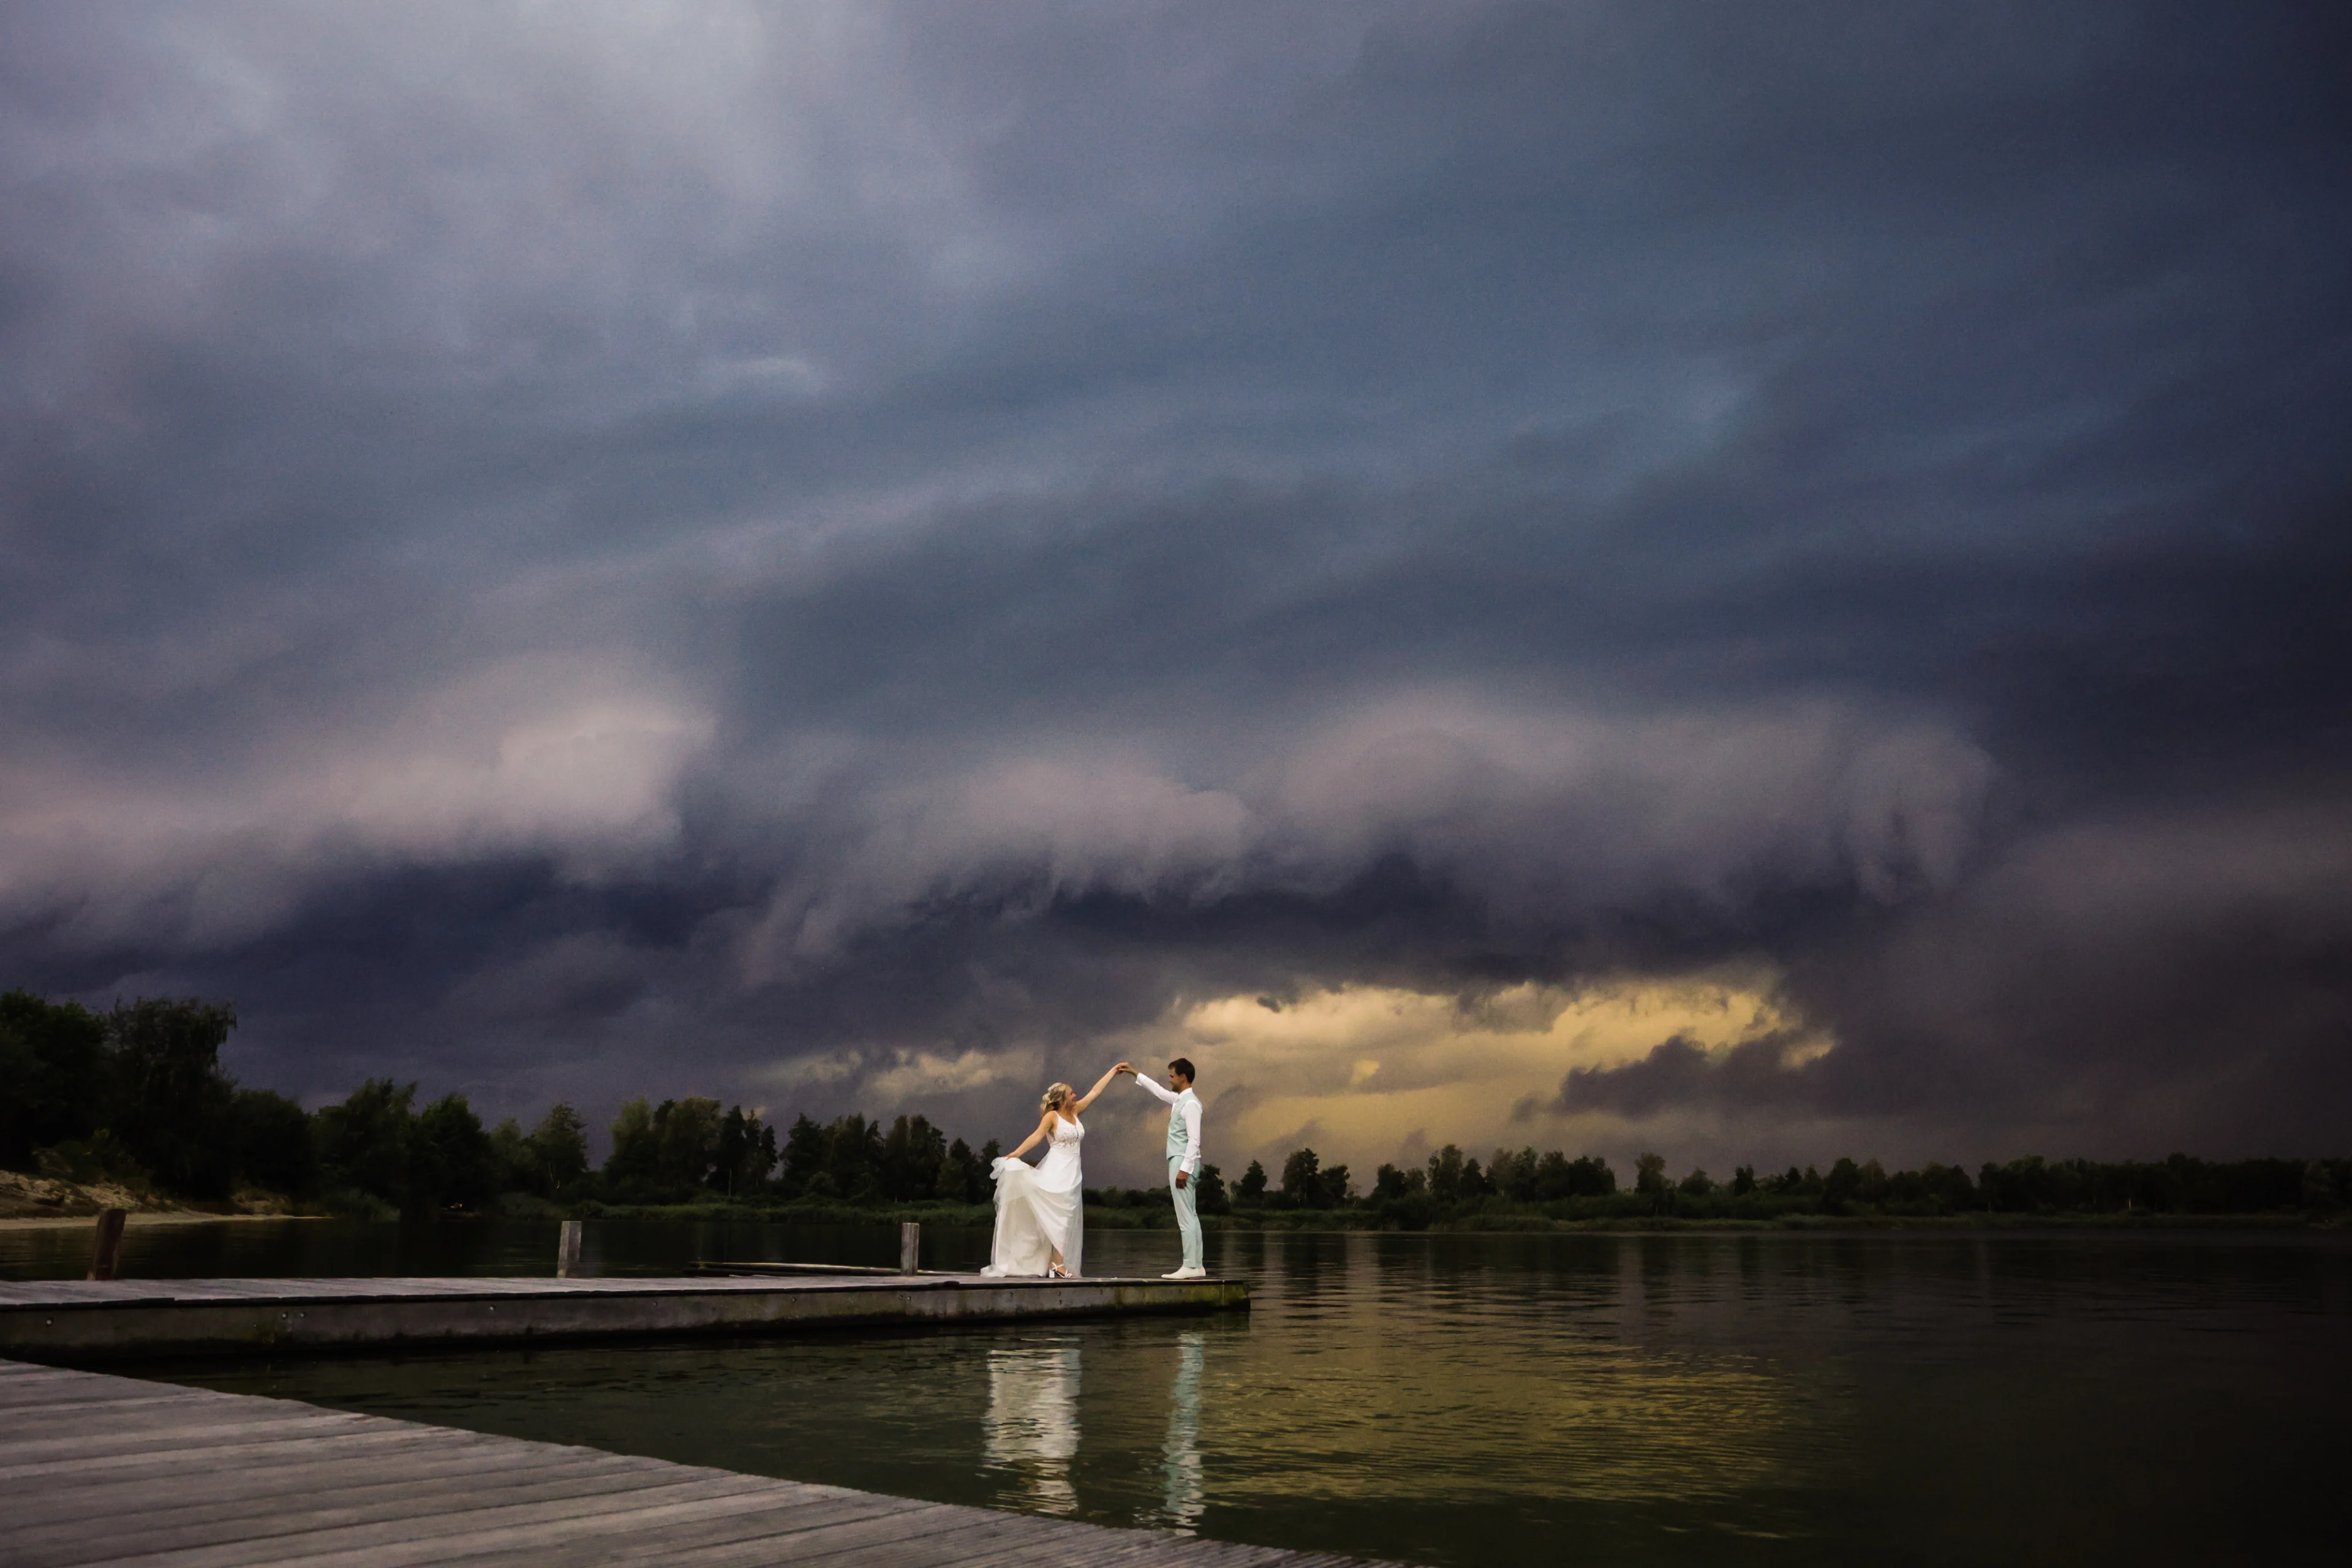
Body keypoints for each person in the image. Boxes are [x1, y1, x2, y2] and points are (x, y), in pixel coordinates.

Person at [982, 1065, 1123, 1278]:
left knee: (1065, 1218)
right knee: (1060, 1217)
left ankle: (1056, 1264)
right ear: (1062, 1099)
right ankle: (1057, 1265)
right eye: (1071, 1093)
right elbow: (1036, 1137)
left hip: (1073, 1172)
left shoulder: (1075, 1112)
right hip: (1056, 1169)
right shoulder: (1052, 1117)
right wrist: (1016, 1154)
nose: (1076, 1095)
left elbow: (1095, 1091)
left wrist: (1113, 1072)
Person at [1118, 1057, 1206, 1279]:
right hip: (1181, 1161)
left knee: (1185, 1216)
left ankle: (1190, 1265)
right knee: (1191, 1215)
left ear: (1183, 1077)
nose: (1169, 1080)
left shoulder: (1191, 1104)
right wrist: (1132, 1072)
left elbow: (1194, 1140)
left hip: (1183, 1161)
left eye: (1172, 1076)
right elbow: (1157, 1090)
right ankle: (1197, 1266)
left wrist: (1184, 1169)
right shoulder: (1179, 1100)